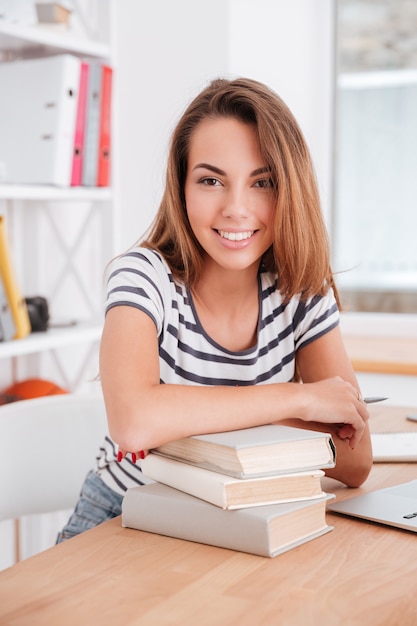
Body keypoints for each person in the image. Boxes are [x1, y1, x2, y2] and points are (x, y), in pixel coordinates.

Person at [57, 77, 372, 542]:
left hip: (246, 518)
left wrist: (185, 413)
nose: (236, 209)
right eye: (210, 181)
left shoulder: (301, 290)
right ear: (181, 187)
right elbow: (134, 422)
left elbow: (355, 461)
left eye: (261, 182)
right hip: (125, 512)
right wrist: (298, 400)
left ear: (289, 188)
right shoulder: (143, 276)